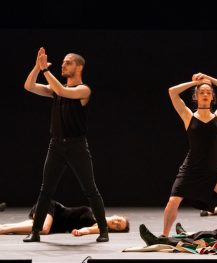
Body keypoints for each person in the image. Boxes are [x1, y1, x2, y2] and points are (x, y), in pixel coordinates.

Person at [22, 47, 109, 242]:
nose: (63, 65)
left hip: (76, 146)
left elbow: (62, 90)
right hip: (56, 146)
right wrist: (37, 68)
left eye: (68, 62)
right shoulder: (56, 90)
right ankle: (35, 232)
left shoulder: (84, 90)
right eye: (62, 62)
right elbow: (29, 86)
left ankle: (104, 230)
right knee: (46, 190)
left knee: (90, 189)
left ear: (79, 67)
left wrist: (46, 71)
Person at [159, 73, 217, 237]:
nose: (205, 95)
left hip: (213, 171)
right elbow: (172, 91)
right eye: (201, 92)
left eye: (208, 92)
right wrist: (195, 83)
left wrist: (209, 79)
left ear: (213, 97)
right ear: (196, 96)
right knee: (172, 203)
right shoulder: (188, 116)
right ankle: (164, 236)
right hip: (191, 169)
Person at [0, 200, 129, 236]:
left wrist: (80, 232)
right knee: (43, 229)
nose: (116, 222)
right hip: (52, 208)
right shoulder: (95, 211)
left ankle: (2, 229)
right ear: (117, 216)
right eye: (119, 220)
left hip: (54, 224)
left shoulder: (100, 227)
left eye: (118, 226)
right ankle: (2, 231)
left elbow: (87, 230)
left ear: (114, 230)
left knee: (14, 229)